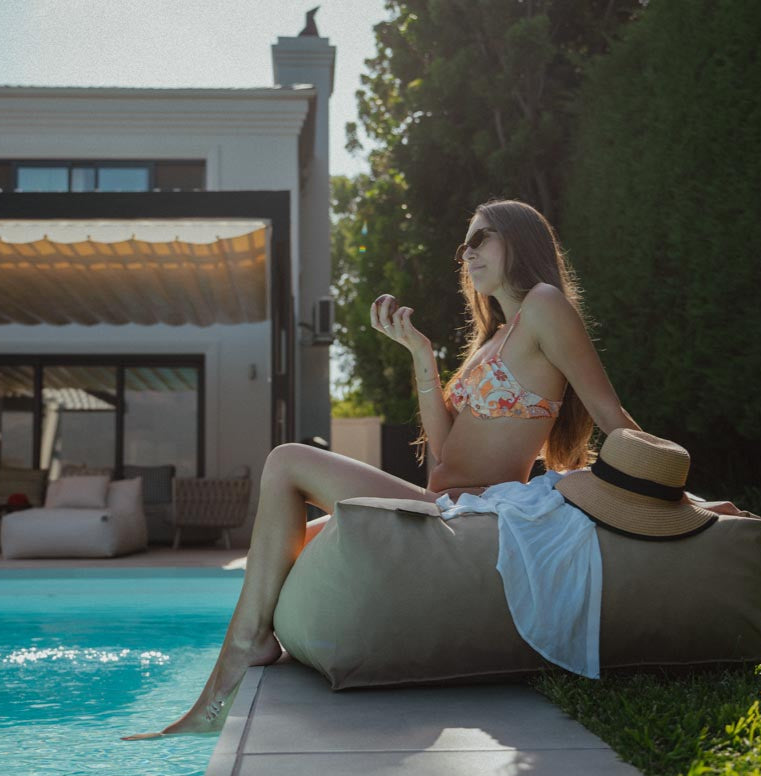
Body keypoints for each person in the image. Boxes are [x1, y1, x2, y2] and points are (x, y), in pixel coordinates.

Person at [124, 198, 644, 739]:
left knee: (286, 462)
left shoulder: (544, 305)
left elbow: (611, 416)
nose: (467, 254)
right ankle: (225, 682)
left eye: (481, 238)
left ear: (521, 240)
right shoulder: (494, 337)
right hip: (444, 500)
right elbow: (442, 452)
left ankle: (221, 687)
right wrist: (421, 355)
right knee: (280, 548)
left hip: (476, 513)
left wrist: (671, 488)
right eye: (464, 244)